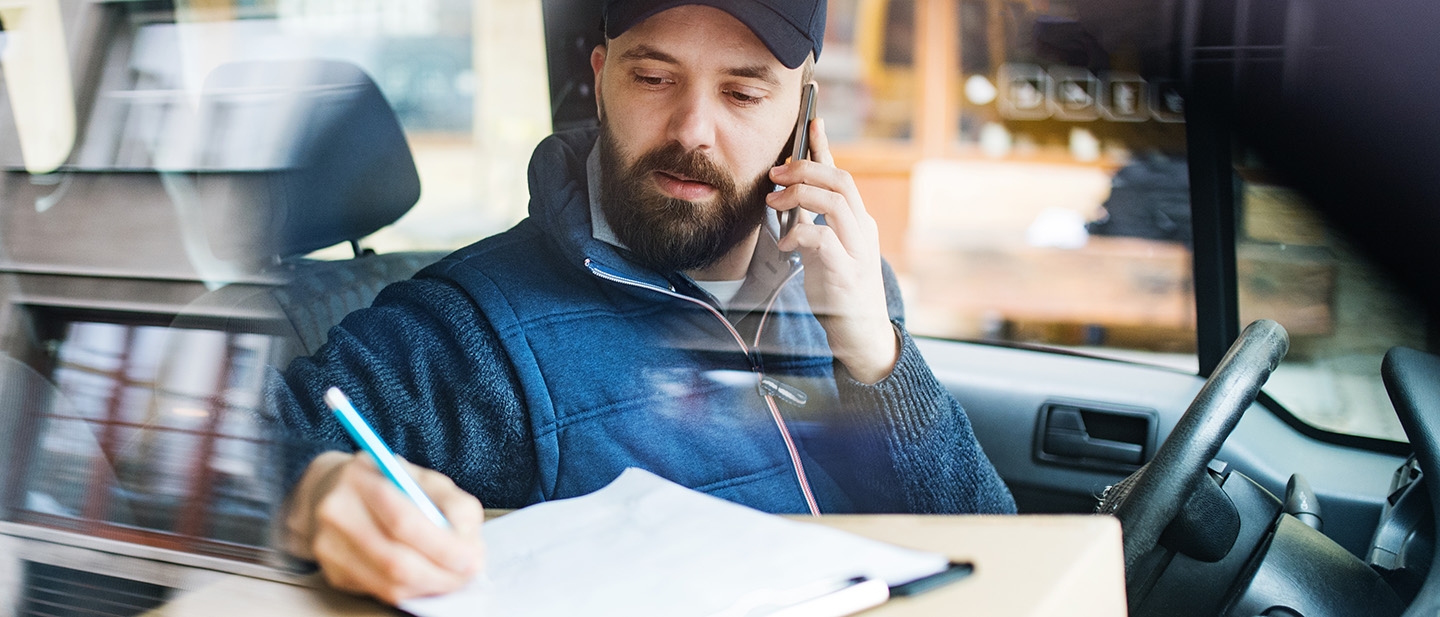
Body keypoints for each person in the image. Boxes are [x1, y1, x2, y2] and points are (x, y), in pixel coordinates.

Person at [268, 0, 1015, 604]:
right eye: (655, 79)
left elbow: (1000, 560)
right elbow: (225, 445)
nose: (693, 129)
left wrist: (876, 354)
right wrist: (313, 488)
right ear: (601, 79)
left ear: (803, 118)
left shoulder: (847, 283)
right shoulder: (476, 327)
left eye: (743, 93)